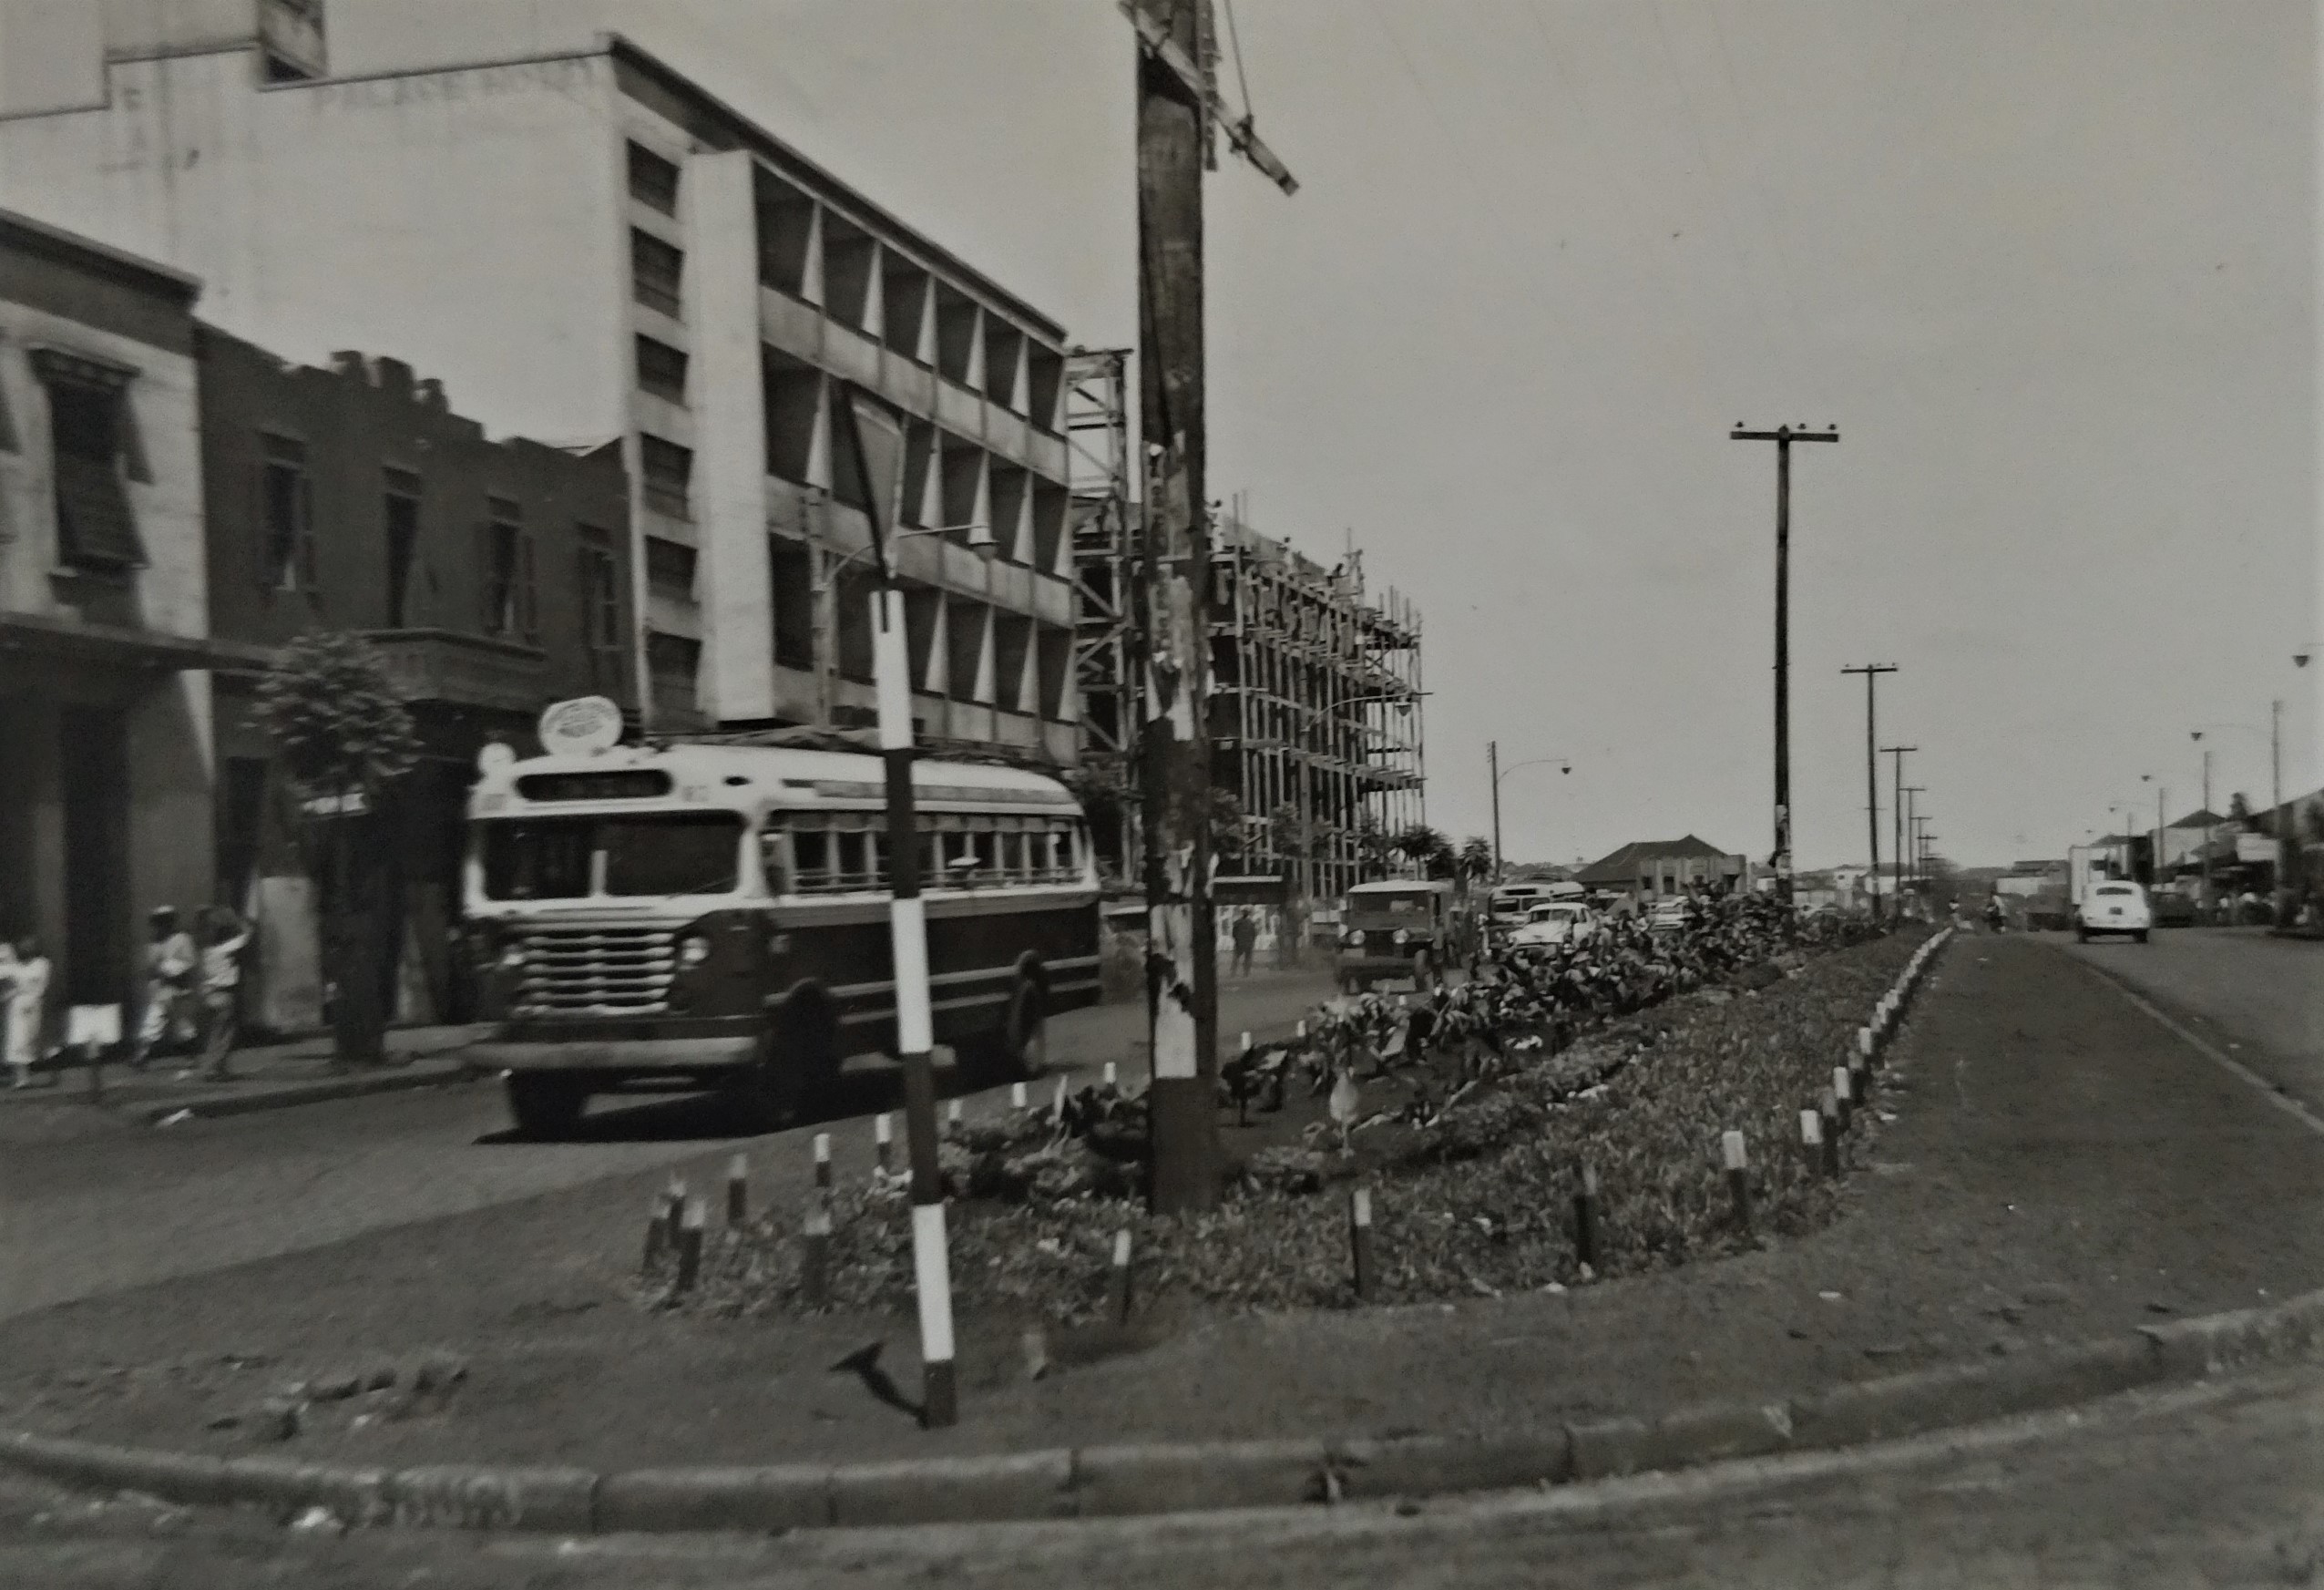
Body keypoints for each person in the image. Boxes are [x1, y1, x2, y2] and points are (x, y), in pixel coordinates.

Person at [133, 906, 199, 1069]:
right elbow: (149, 967)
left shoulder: (182, 939)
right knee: (152, 1023)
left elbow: (189, 962)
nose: (161, 926)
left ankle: (191, 1056)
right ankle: (142, 1056)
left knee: (182, 1026)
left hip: (178, 990)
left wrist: (169, 968)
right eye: (158, 923)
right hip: (160, 991)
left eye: (164, 922)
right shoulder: (154, 944)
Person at [197, 907, 251, 1081]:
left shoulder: (207, 952)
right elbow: (246, 936)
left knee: (214, 1034)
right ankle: (216, 1069)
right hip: (224, 995)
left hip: (208, 995)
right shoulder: (225, 949)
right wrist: (240, 922)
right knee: (226, 1035)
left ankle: (212, 1067)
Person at [0, 938, 41, 1089]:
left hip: (27, 1006)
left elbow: (28, 985)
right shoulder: (16, 967)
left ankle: (23, 1078)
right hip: (17, 1007)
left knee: (21, 1041)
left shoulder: (39, 965)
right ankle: (20, 1077)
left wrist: (12, 993)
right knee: (15, 1041)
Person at [1230, 908, 1257, 978]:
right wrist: (1252, 941)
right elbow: (1254, 934)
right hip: (1249, 943)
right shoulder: (1251, 923)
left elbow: (1233, 933)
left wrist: (1236, 940)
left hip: (1239, 943)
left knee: (1236, 958)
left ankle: (1233, 973)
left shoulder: (1237, 922)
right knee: (1247, 958)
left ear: (1242, 914)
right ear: (1248, 914)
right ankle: (1246, 973)